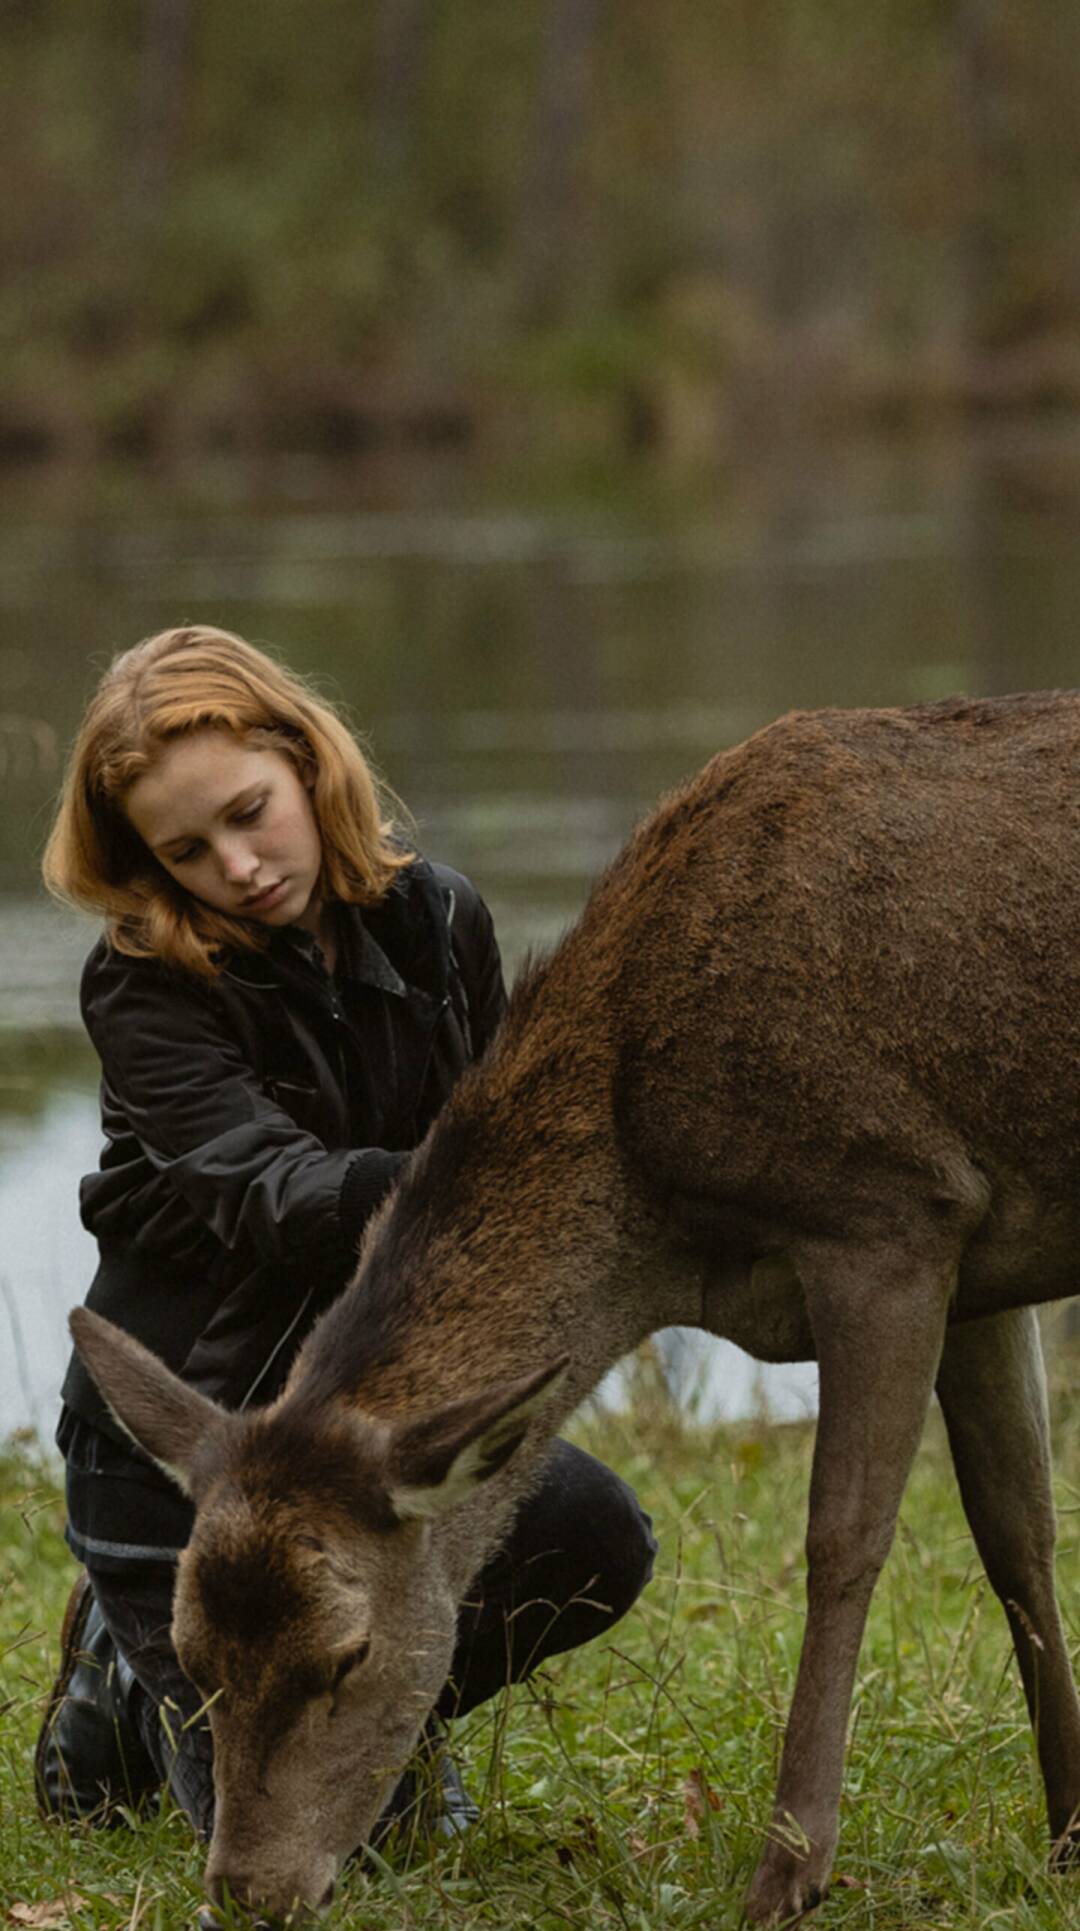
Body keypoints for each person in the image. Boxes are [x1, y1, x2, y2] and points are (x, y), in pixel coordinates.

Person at [35, 624, 657, 1850]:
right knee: (300, 1843)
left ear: (307, 760)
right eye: (188, 851)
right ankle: (118, 1671)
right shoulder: (141, 991)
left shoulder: (440, 919)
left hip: (359, 1436)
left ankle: (380, 1702)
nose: (239, 864)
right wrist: (482, 1173)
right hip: (188, 1452)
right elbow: (277, 1197)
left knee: (598, 1541)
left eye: (251, 812)